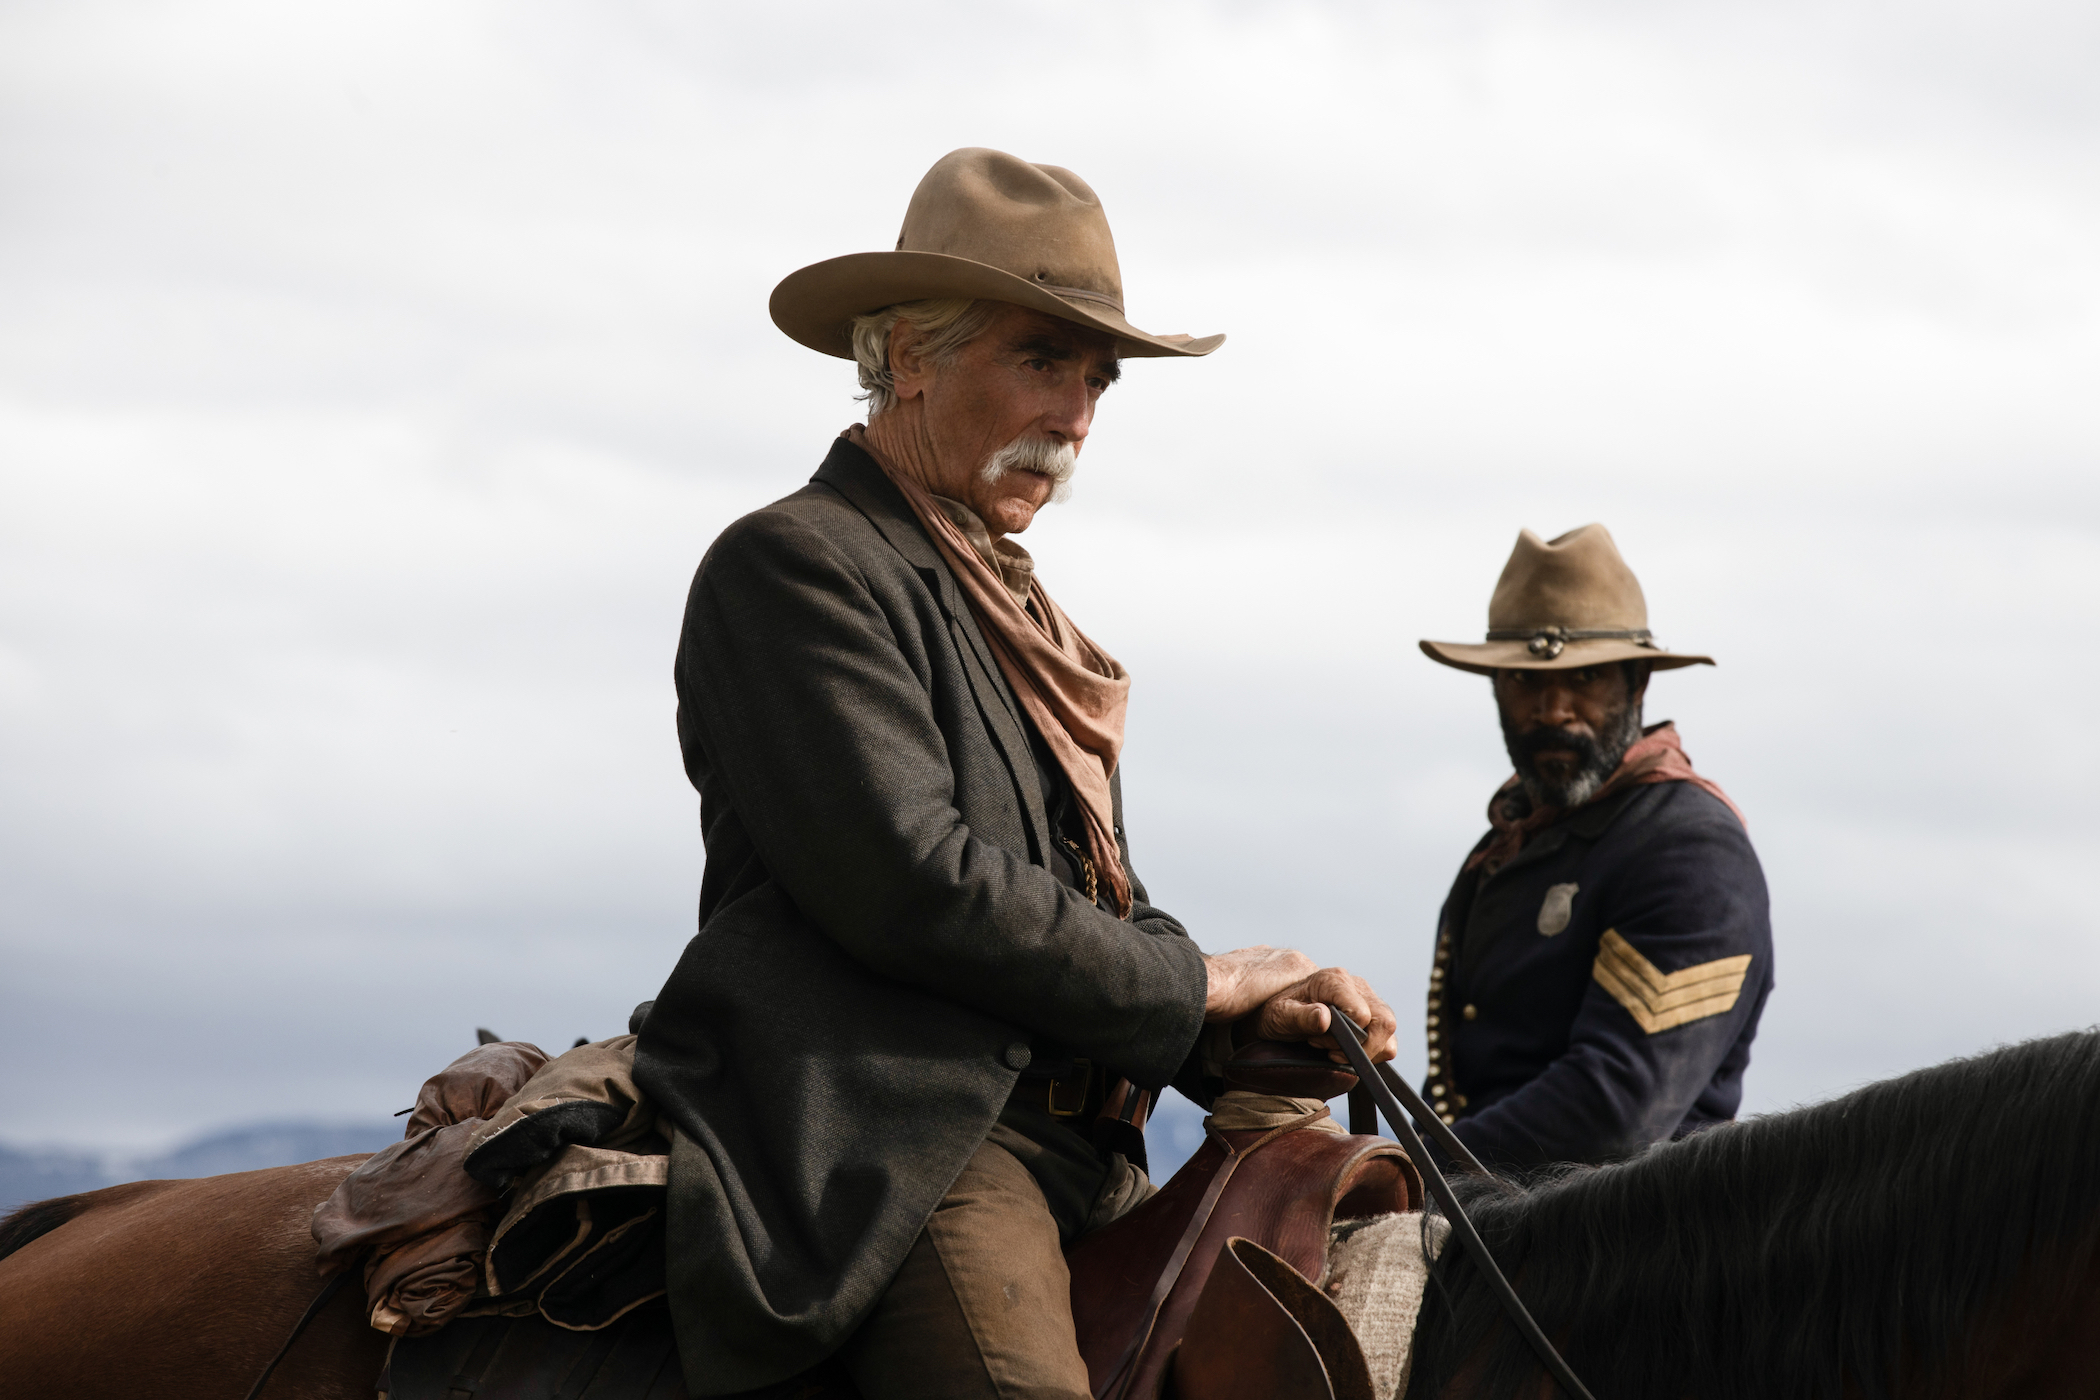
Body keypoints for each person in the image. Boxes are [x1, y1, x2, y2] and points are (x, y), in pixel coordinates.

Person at [632, 148, 1397, 1400]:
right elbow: (914, 884)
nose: (1080, 414)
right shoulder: (794, 565)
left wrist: (1249, 1024)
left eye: (1097, 380)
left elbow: (1093, 903)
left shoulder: (1014, 613)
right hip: (908, 1141)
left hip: (1088, 1140)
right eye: (1044, 362)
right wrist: (1199, 977)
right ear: (911, 356)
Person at [1415, 524, 1773, 1172]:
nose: (1553, 709)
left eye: (1586, 678)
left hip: (1625, 1246)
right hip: (1484, 1215)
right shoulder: (1507, 846)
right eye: (1525, 681)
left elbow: (1616, 1108)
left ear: (1637, 683)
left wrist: (1421, 1175)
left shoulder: (1692, 849)